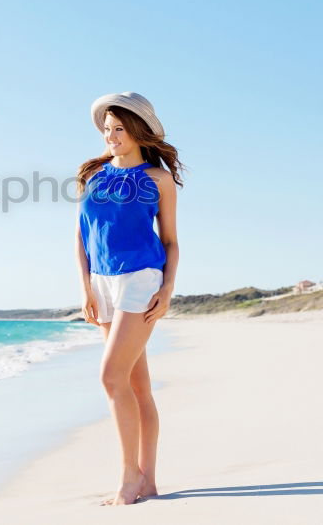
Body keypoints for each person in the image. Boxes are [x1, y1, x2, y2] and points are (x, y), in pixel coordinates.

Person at [75, 91, 185, 506]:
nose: (111, 136)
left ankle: (128, 477)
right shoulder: (92, 175)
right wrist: (85, 287)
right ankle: (149, 482)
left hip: (141, 280)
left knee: (110, 378)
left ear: (138, 132)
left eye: (119, 129)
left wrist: (167, 289)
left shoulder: (158, 180)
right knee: (137, 387)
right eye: (107, 129)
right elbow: (80, 235)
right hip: (102, 282)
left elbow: (171, 241)